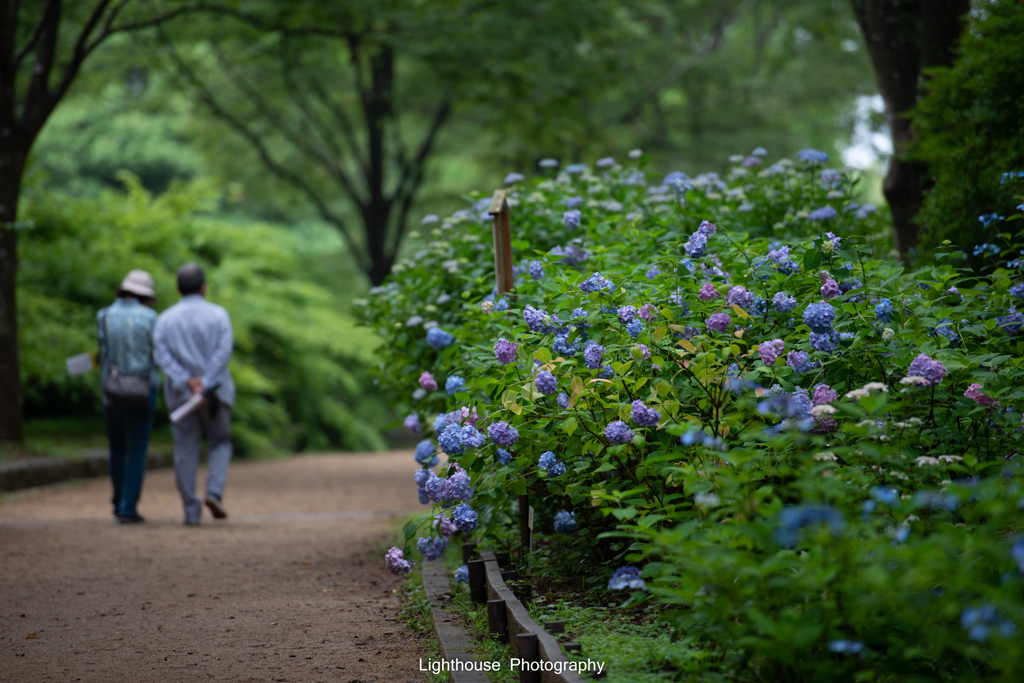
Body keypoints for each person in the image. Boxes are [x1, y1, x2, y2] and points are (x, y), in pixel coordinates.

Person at [153, 263, 235, 525]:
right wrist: (206, 381)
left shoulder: (165, 319)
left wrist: (187, 381)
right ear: (204, 287)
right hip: (215, 394)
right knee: (220, 441)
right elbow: (223, 351)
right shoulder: (219, 315)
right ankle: (213, 492)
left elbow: (161, 355)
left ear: (177, 288)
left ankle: (191, 509)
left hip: (180, 395)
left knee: (185, 449)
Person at [98, 270, 159, 524]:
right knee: (136, 448)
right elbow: (157, 354)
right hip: (144, 388)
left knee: (116, 448)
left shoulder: (103, 316)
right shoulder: (152, 317)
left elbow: (102, 351)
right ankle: (128, 506)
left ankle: (116, 500)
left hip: (111, 389)